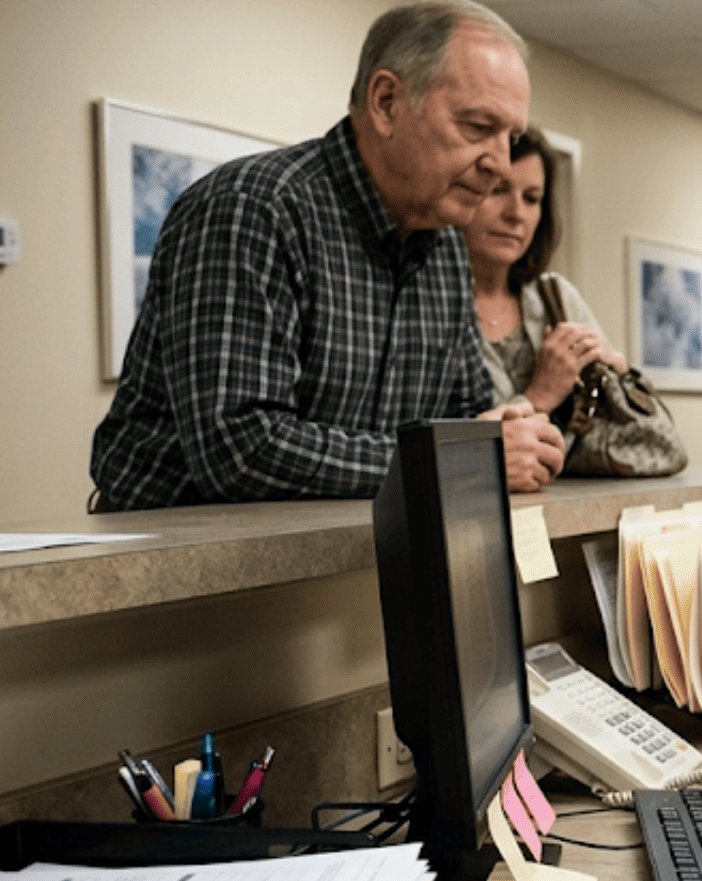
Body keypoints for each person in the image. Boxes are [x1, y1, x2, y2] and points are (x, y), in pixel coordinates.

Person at [89, 0, 565, 511]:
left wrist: (512, 436)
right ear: (386, 102)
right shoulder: (253, 209)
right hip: (182, 566)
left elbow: (466, 415)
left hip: (351, 560)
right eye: (477, 127)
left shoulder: (447, 245)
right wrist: (462, 460)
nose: (500, 164)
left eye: (509, 138)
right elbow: (242, 450)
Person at [464, 125, 626, 435]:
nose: (516, 214)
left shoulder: (556, 297)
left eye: (531, 198)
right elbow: (441, 449)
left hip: (567, 480)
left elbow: (618, 415)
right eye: (498, 190)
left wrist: (614, 368)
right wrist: (539, 397)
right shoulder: (432, 303)